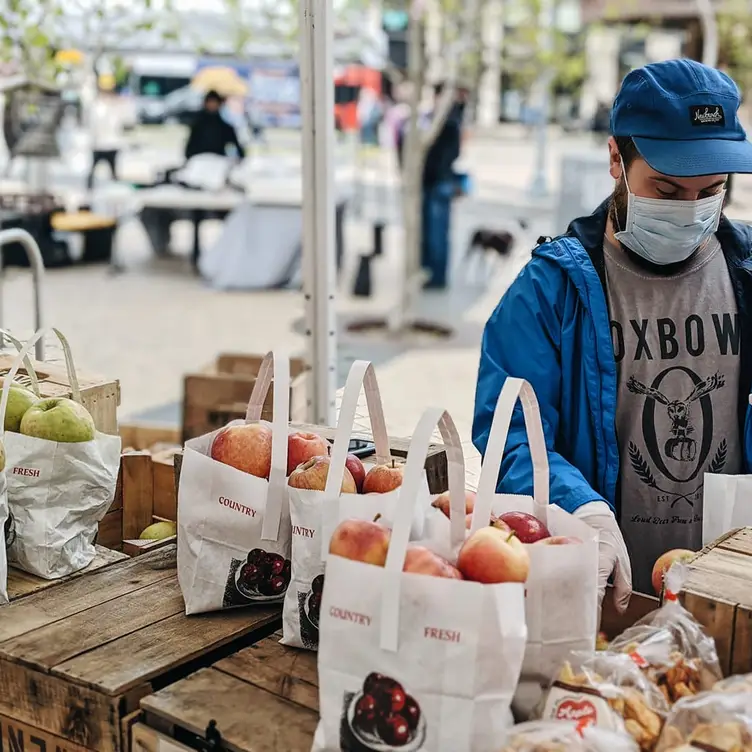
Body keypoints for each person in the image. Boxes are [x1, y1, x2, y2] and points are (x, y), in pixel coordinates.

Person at [472, 59, 752, 612]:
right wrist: (579, 508)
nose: (691, 211)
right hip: (605, 593)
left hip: (732, 596)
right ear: (615, 161)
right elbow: (508, 434)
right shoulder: (550, 292)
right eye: (667, 190)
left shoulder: (747, 274)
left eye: (711, 190)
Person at [397, 83, 467, 289]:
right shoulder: (427, 119)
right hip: (425, 183)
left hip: (439, 184)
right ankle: (426, 271)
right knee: (425, 232)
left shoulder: (450, 122)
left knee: (437, 233)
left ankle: (436, 277)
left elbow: (451, 154)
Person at [87, 74, 125, 190]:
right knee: (93, 170)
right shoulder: (96, 105)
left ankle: (115, 191)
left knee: (113, 171)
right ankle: (89, 189)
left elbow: (120, 123)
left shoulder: (115, 105)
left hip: (112, 143)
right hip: (99, 144)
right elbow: (93, 124)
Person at [185, 90, 245, 161]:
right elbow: (190, 146)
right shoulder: (198, 125)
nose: (212, 105)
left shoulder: (225, 127)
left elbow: (236, 145)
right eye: (210, 102)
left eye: (214, 102)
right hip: (199, 159)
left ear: (219, 104)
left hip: (217, 160)